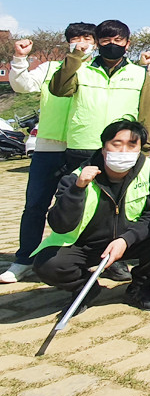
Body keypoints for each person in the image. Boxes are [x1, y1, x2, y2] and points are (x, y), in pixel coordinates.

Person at [32, 120, 150, 313]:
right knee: (47, 264)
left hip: (131, 241)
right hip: (87, 245)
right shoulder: (76, 176)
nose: (123, 151)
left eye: (132, 145)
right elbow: (60, 225)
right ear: (104, 148)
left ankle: (140, 287)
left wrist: (126, 239)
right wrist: (77, 189)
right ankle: (85, 288)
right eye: (116, 144)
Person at [2, 23, 96, 284]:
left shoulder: (98, 71)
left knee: (86, 207)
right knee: (35, 205)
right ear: (68, 43)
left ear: (96, 43)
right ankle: (24, 259)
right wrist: (19, 58)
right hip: (48, 148)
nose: (81, 43)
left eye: (87, 38)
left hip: (84, 147)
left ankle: (86, 259)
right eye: (75, 38)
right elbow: (22, 85)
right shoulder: (50, 68)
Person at [49, 19, 150, 172]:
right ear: (97, 44)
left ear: (127, 44)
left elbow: (147, 115)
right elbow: (58, 89)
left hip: (122, 147)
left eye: (118, 40)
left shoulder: (139, 74)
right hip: (83, 146)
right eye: (106, 40)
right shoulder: (80, 69)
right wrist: (75, 57)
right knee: (80, 187)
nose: (112, 44)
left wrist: (144, 149)